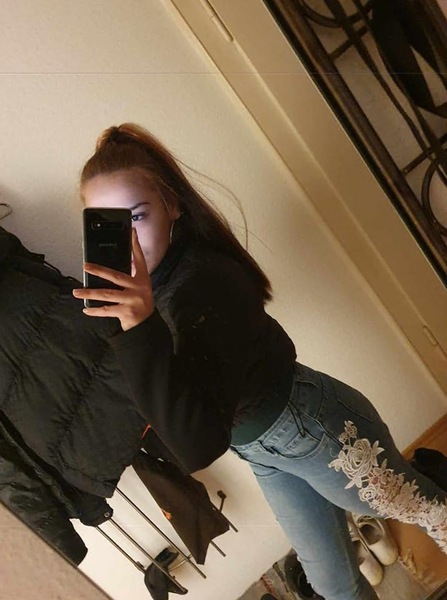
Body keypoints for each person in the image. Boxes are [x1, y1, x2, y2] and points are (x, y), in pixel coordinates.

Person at [72, 123, 447, 600]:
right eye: (107, 224)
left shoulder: (202, 284)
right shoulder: (152, 288)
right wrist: (127, 324)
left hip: (312, 430)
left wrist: (136, 328)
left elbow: (197, 444)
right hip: (265, 450)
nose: (128, 239)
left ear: (172, 206)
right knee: (331, 580)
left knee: (427, 510)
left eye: (138, 216)